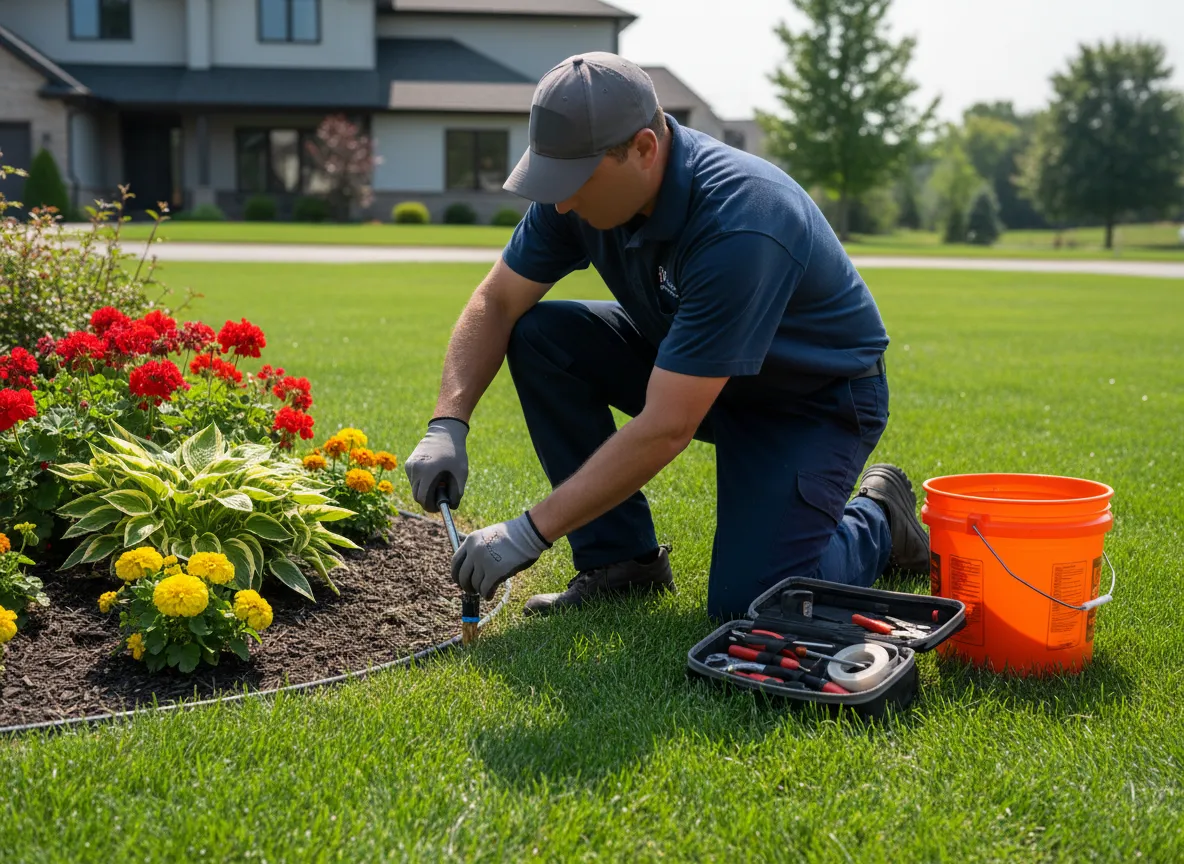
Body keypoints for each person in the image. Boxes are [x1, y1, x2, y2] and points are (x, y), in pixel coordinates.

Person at [404, 52, 929, 621]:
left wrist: (529, 532)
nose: (560, 202)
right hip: (695, 365)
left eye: (574, 180)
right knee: (542, 336)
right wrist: (447, 423)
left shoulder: (741, 218)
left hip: (809, 399)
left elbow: (666, 426)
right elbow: (498, 300)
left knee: (755, 606)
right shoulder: (576, 191)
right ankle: (621, 562)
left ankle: (880, 517)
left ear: (645, 149)